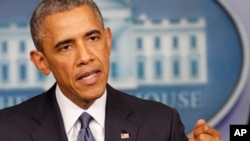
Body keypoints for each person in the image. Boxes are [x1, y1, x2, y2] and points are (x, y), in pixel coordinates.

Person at [0, 0, 221, 141]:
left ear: (108, 41)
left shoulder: (162, 124)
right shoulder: (6, 130)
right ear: (41, 62)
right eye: (66, 47)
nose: (86, 57)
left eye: (93, 38)